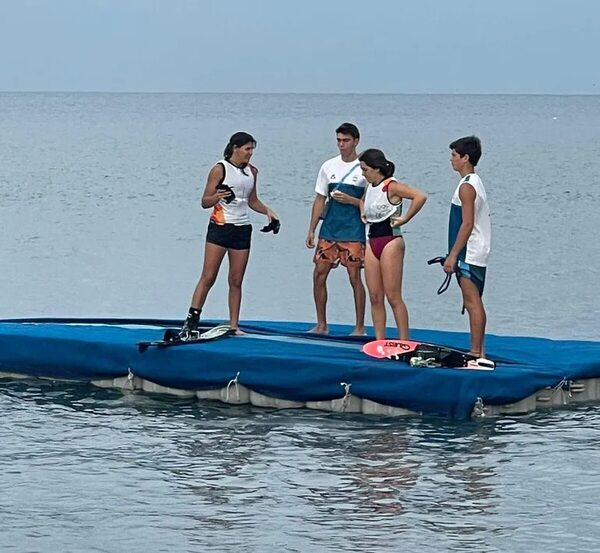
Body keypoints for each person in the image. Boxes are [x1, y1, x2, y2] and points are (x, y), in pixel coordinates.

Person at [179, 132, 279, 339]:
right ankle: (191, 321)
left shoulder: (252, 172)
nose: (250, 153)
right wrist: (218, 196)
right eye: (247, 149)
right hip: (220, 227)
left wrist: (268, 211)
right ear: (235, 148)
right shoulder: (220, 169)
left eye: (252, 149)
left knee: (236, 279)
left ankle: (234, 325)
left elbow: (252, 200)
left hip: (242, 229)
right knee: (209, 276)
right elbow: (205, 201)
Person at [305, 123, 367, 335]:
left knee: (354, 277)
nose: (342, 145)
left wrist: (352, 200)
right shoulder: (328, 166)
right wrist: (312, 229)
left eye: (346, 140)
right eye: (339, 140)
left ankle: (359, 327)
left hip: (353, 230)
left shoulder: (364, 168)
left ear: (356, 141)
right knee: (319, 273)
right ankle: (321, 325)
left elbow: (370, 202)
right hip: (329, 229)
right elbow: (320, 198)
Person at [359, 149, 427, 340]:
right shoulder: (369, 186)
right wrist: (362, 211)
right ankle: (379, 339)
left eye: (365, 169)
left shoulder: (392, 186)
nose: (362, 173)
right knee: (374, 296)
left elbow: (420, 196)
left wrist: (405, 218)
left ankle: (404, 340)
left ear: (376, 169)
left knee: (393, 295)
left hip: (391, 240)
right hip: (372, 240)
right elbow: (363, 201)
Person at [443, 136, 491, 357]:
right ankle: (479, 349)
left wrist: (453, 255)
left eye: (454, 155)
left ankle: (476, 351)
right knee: (472, 300)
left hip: (468, 251)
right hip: (475, 250)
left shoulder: (467, 188)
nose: (451, 159)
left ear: (466, 158)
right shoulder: (473, 182)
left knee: (472, 301)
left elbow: (468, 222)